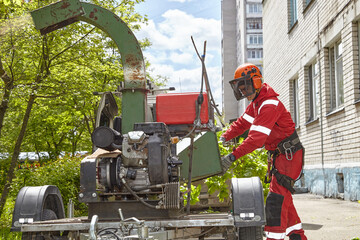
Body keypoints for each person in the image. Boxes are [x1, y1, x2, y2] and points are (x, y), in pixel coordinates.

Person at [220, 63, 307, 240]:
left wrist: (232, 156)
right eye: (241, 89)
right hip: (282, 156)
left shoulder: (268, 105)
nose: (244, 92)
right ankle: (298, 236)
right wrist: (223, 137)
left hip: (289, 156)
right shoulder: (256, 103)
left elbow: (256, 139)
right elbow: (241, 124)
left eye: (246, 87)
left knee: (276, 202)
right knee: (285, 203)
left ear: (257, 81)